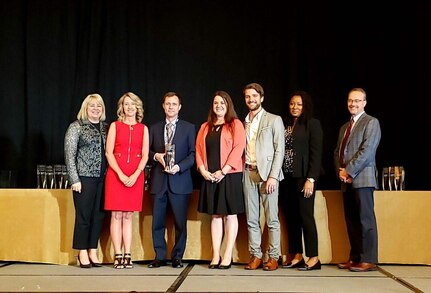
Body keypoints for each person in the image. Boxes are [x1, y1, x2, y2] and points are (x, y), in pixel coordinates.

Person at [196, 91, 246, 269]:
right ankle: (215, 255)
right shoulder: (205, 127)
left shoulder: (235, 124)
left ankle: (227, 255)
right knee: (215, 216)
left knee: (230, 215)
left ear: (228, 105)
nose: (219, 106)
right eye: (216, 103)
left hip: (229, 176)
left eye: (222, 103)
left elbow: (239, 148)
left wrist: (223, 171)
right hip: (209, 177)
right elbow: (199, 151)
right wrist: (203, 170)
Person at [334, 87, 381, 272]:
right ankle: (355, 258)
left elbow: (367, 151)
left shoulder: (371, 122)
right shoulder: (345, 127)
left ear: (364, 103)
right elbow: (337, 152)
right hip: (345, 179)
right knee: (352, 220)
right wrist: (340, 172)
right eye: (350, 100)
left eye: (357, 100)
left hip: (363, 178)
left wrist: (349, 171)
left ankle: (368, 259)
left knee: (365, 219)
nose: (353, 104)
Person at [147, 91, 196, 269]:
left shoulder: (189, 128)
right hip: (159, 182)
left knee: (180, 223)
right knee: (157, 222)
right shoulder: (153, 128)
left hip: (180, 181)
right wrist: (156, 157)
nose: (171, 107)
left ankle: (177, 256)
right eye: (168, 104)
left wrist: (179, 167)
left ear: (179, 107)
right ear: (163, 106)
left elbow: (193, 156)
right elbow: (146, 154)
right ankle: (159, 256)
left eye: (174, 104)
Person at [242, 82, 285, 271]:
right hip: (248, 172)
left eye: (254, 96)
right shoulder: (242, 122)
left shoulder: (274, 120)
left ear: (261, 98)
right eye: (248, 96)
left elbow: (279, 150)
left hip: (268, 174)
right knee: (252, 218)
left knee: (271, 218)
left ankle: (273, 256)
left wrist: (273, 177)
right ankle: (256, 255)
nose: (251, 99)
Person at [279, 91, 323, 271]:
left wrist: (311, 179)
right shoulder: (287, 124)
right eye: (292, 104)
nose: (294, 107)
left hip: (304, 177)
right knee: (291, 218)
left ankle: (314, 257)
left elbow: (316, 154)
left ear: (305, 106)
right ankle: (296, 254)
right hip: (287, 177)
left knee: (306, 217)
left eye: (298, 104)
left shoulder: (313, 124)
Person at [104, 92, 149, 269]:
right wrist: (121, 174)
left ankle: (128, 253)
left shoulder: (143, 128)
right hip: (116, 174)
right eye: (126, 104)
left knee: (129, 215)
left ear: (137, 107)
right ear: (121, 107)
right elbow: (109, 152)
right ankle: (118, 254)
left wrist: (136, 173)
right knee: (116, 214)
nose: (129, 107)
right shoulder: (115, 126)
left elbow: (145, 155)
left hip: (135, 175)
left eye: (132, 104)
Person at [64, 93, 108, 268]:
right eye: (92, 106)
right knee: (84, 216)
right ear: (86, 108)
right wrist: (74, 178)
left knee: (98, 216)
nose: (96, 109)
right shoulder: (76, 127)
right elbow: (69, 155)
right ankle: (81, 251)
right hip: (84, 178)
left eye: (99, 106)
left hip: (102, 178)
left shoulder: (106, 127)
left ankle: (92, 249)